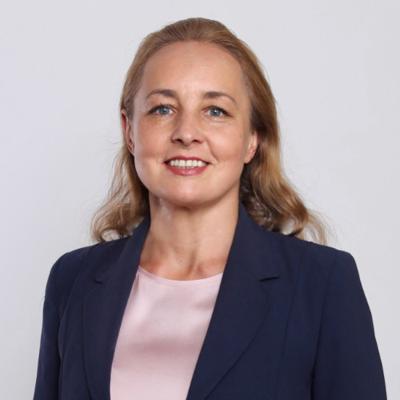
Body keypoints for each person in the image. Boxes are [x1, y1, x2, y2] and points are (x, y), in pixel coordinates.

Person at [33, 17, 387, 400]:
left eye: (215, 111)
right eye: (162, 109)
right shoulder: (73, 280)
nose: (187, 132)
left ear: (252, 138)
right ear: (129, 131)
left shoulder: (322, 285)